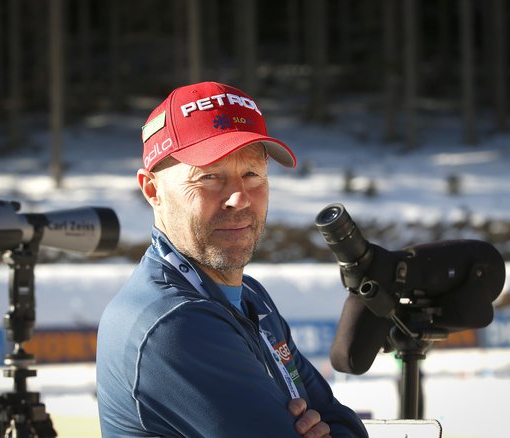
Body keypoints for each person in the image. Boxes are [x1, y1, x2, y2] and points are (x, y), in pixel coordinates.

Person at [96, 81, 368, 437]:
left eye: (252, 174)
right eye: (209, 177)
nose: (239, 198)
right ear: (152, 190)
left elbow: (341, 421)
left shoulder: (251, 298)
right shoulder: (174, 322)